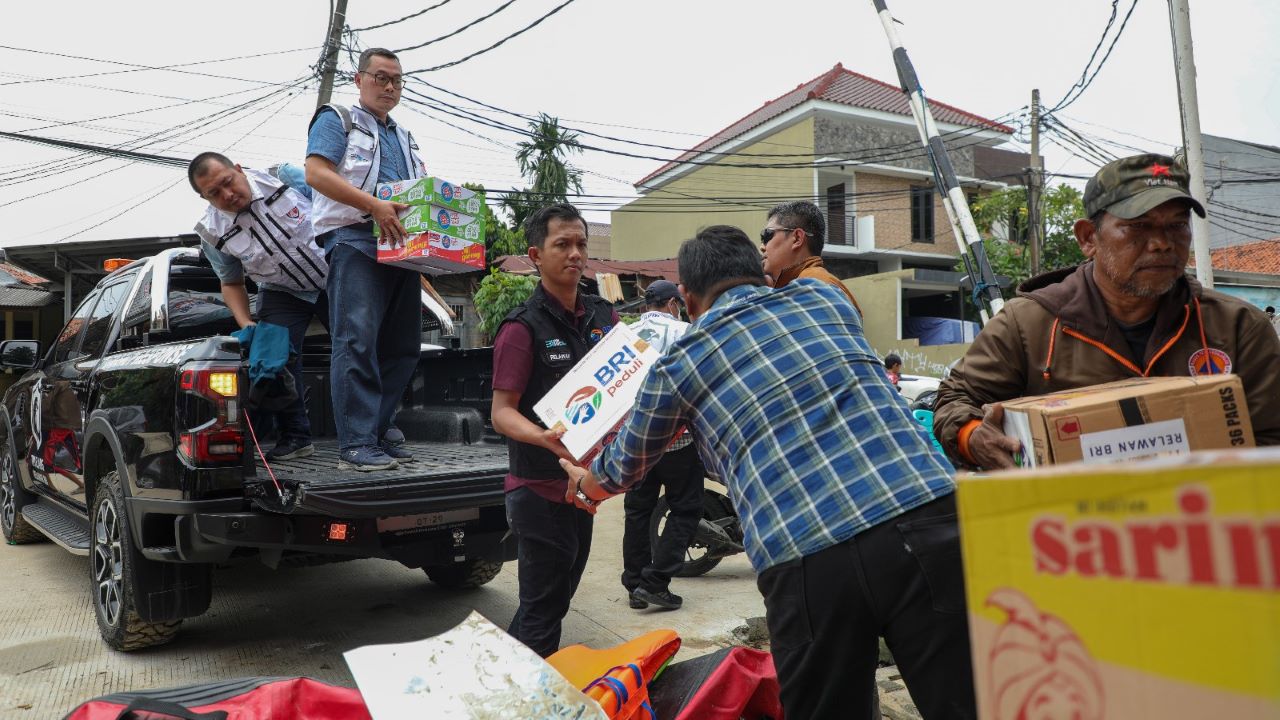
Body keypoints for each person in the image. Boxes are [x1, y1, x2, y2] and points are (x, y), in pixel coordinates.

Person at [561, 226, 973, 719]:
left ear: (687, 298)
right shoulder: (826, 300)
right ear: (762, 272)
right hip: (926, 516)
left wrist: (585, 484)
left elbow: (625, 465)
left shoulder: (677, 366)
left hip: (806, 558)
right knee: (975, 702)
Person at [934, 153, 1280, 469]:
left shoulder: (1238, 327)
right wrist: (972, 436)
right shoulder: (1028, 324)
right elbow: (953, 399)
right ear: (1088, 238)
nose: (1162, 242)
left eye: (1176, 225)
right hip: (1068, 526)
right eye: (1139, 226)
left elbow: (1271, 438)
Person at [490, 203, 620, 658]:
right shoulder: (521, 328)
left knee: (551, 602)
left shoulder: (606, 317)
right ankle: (527, 700)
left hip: (583, 488)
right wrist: (542, 436)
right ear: (535, 255)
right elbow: (502, 412)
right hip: (538, 490)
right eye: (562, 244)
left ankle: (495, 677)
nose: (575, 254)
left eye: (581, 244)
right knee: (544, 613)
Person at [305, 47, 427, 471]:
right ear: (359, 80)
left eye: (396, 79)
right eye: (380, 77)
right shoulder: (337, 119)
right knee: (356, 342)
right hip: (354, 241)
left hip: (401, 250)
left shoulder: (405, 137)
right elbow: (317, 173)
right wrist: (373, 206)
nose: (389, 86)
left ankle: (376, 433)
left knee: (403, 347)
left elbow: (419, 194)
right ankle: (355, 445)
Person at [190, 153, 329, 460]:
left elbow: (335, 205)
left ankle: (371, 433)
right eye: (214, 193)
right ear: (205, 198)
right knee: (274, 359)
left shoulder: (284, 178)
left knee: (356, 348)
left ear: (238, 169)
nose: (227, 195)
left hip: (335, 275)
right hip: (282, 291)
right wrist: (246, 322)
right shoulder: (212, 233)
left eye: (228, 182)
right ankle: (296, 437)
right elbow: (232, 283)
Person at [620, 279, 704, 611]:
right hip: (677, 441)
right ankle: (656, 582)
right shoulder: (685, 333)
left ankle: (635, 585)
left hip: (635, 442)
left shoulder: (625, 335)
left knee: (637, 511)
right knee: (685, 509)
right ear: (672, 303)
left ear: (645, 306)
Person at [760, 200, 862, 314]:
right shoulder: (795, 287)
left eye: (767, 236)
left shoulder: (818, 287)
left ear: (797, 238)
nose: (762, 247)